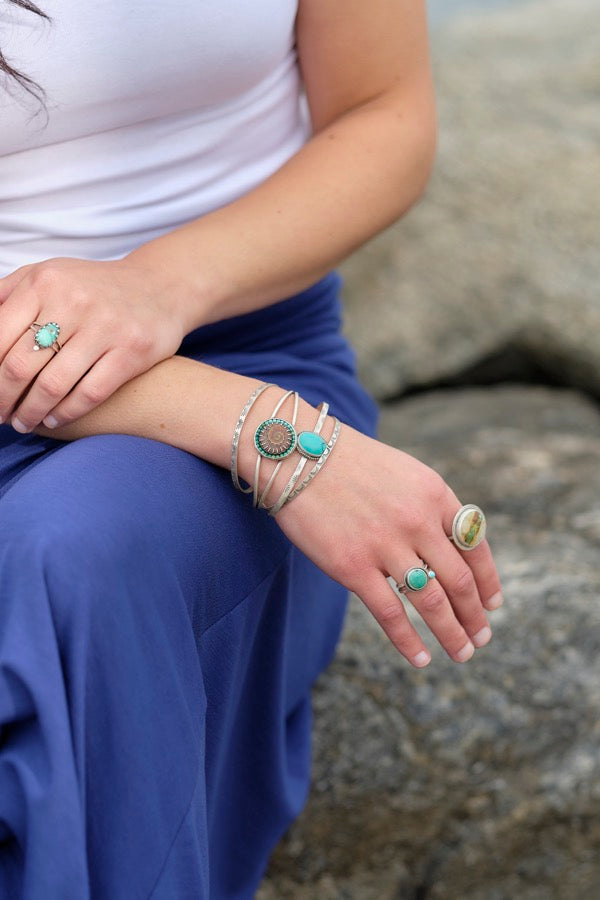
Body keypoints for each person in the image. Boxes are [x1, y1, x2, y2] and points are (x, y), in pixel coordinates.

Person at [0, 1, 503, 897]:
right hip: (210, 399)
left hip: (243, 338)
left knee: (82, 552)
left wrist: (160, 286)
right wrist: (271, 437)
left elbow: (381, 109)